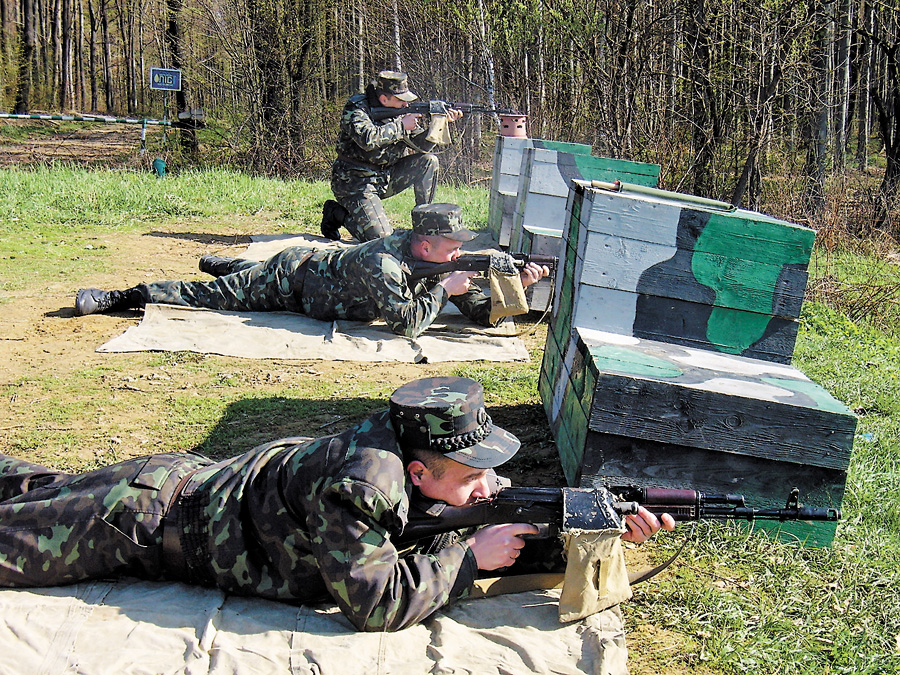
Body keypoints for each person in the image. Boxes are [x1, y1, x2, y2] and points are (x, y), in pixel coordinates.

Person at [0, 376, 673, 633]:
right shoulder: (365, 484)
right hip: (143, 522)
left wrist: (596, 534)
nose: (487, 488)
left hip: (177, 480)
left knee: (29, 487)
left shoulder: (414, 454)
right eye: (474, 475)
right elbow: (374, 600)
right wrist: (468, 560)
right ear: (418, 471)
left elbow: (453, 520)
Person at [74, 203, 549, 339]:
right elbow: (405, 324)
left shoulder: (432, 263)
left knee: (235, 273)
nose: (457, 254)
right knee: (213, 296)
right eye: (452, 247)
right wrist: (443, 290)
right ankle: (118, 296)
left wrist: (517, 291)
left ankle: (229, 263)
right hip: (293, 281)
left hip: (322, 282)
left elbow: (478, 314)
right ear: (426, 243)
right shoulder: (383, 261)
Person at [323, 70, 463, 242]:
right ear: (384, 99)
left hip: (385, 177)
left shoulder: (399, 112)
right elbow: (368, 139)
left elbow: (421, 146)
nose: (406, 105)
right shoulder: (357, 108)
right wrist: (401, 126)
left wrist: (439, 123)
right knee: (381, 240)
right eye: (401, 100)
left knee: (429, 161)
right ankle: (337, 214)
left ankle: (423, 222)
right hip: (354, 182)